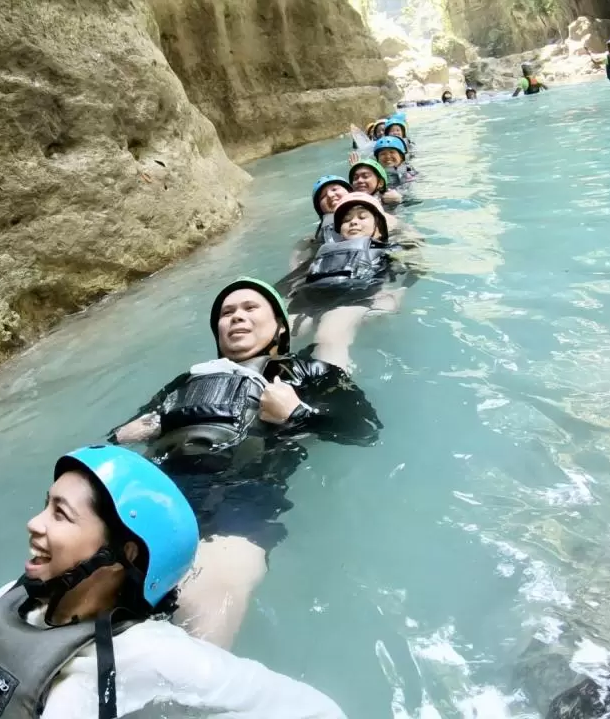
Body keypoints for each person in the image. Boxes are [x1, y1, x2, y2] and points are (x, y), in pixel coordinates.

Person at [0, 445, 349, 719]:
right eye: (45, 505)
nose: (34, 523)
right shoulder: (13, 605)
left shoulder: (146, 654)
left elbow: (313, 710)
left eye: (61, 514)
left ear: (123, 554)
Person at [110, 278, 381, 648]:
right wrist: (128, 432)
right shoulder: (186, 382)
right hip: (156, 491)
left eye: (250, 308)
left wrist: (298, 413)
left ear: (281, 327)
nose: (236, 317)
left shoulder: (308, 373)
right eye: (226, 313)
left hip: (241, 497)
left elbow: (364, 429)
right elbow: (121, 436)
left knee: (212, 588)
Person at [284, 193, 421, 373]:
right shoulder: (325, 251)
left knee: (328, 335)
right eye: (347, 220)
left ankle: (331, 388)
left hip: (357, 299)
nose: (353, 222)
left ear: (379, 227)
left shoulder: (385, 249)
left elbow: (415, 268)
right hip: (312, 300)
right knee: (279, 334)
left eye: (362, 217)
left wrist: (397, 294)